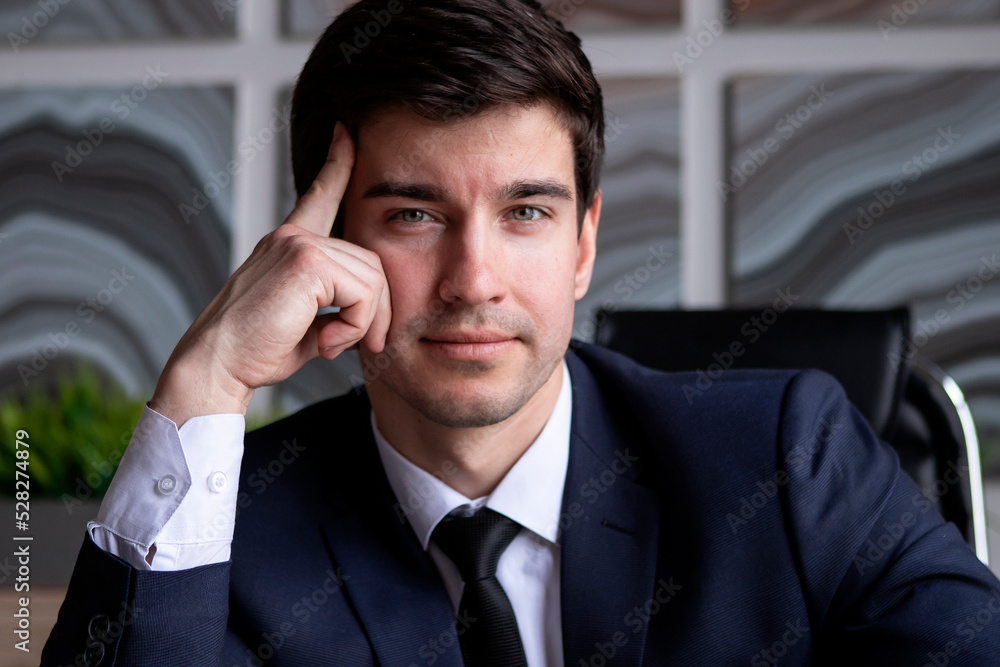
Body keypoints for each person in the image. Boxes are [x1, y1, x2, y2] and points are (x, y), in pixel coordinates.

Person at [43, 0, 1000, 665]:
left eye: (527, 212)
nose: (474, 281)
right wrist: (204, 381)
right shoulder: (229, 528)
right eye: (414, 214)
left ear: (584, 243)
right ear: (322, 251)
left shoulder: (789, 459)